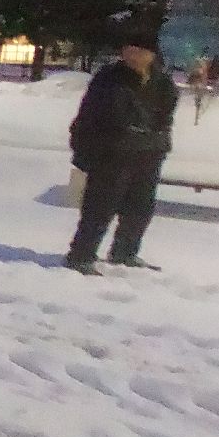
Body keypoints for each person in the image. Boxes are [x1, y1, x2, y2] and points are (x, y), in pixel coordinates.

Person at [66, 31, 178, 275]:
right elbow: (99, 114)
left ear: (151, 54)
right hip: (112, 153)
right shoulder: (109, 78)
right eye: (128, 48)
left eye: (139, 50)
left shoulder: (162, 81)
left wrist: (156, 136)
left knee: (141, 207)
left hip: (148, 154)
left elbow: (166, 113)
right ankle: (81, 254)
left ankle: (125, 251)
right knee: (100, 206)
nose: (132, 54)